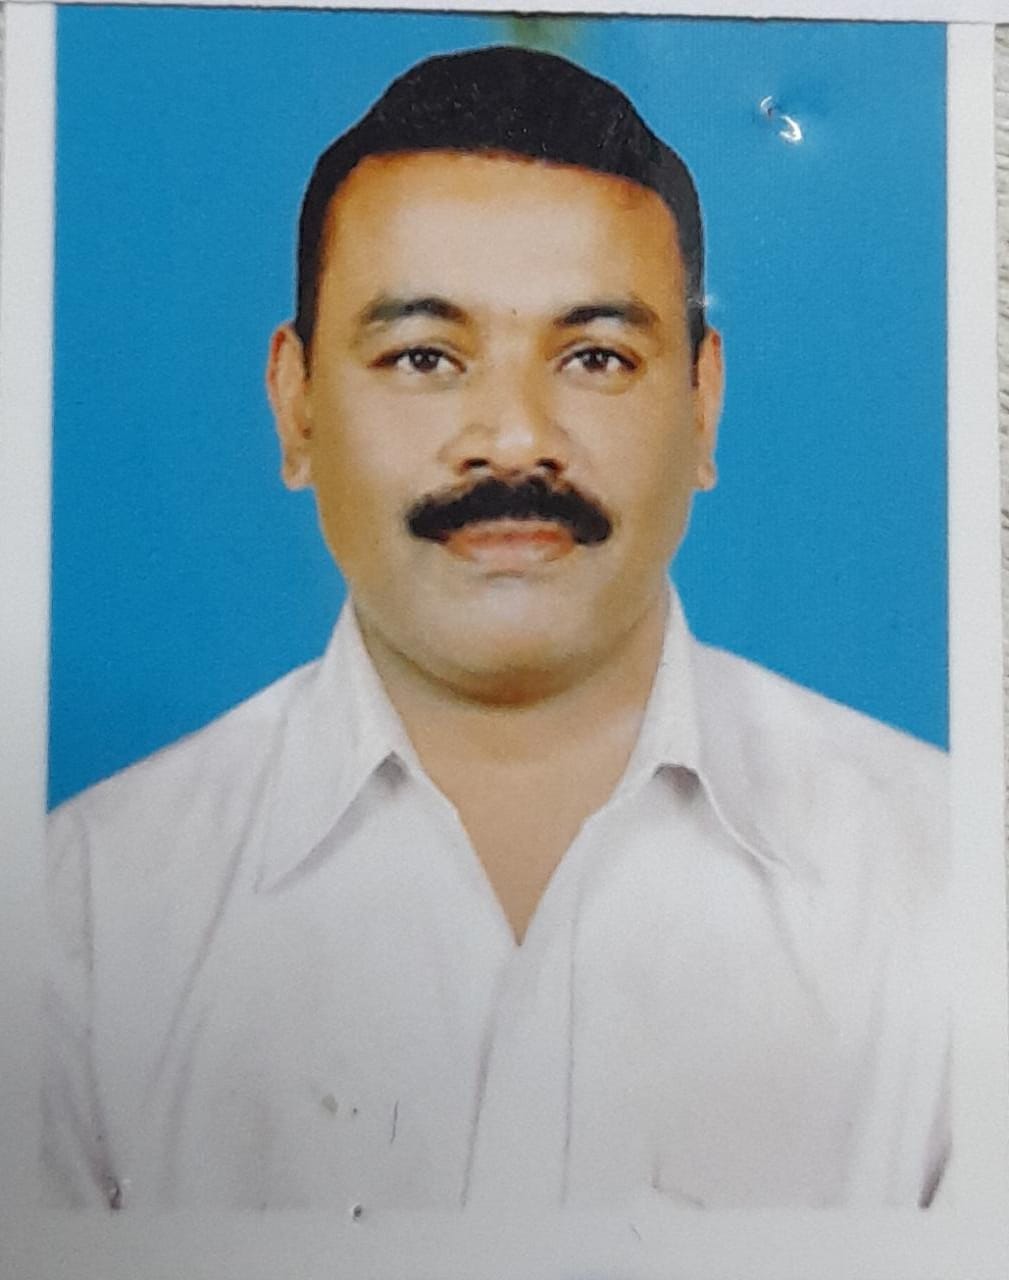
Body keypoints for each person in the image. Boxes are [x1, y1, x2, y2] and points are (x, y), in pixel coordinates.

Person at [44, 45, 949, 1214]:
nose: (515, 439)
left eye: (594, 356)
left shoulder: (948, 884)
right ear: (296, 402)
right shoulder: (79, 921)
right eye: (424, 356)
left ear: (702, 403)